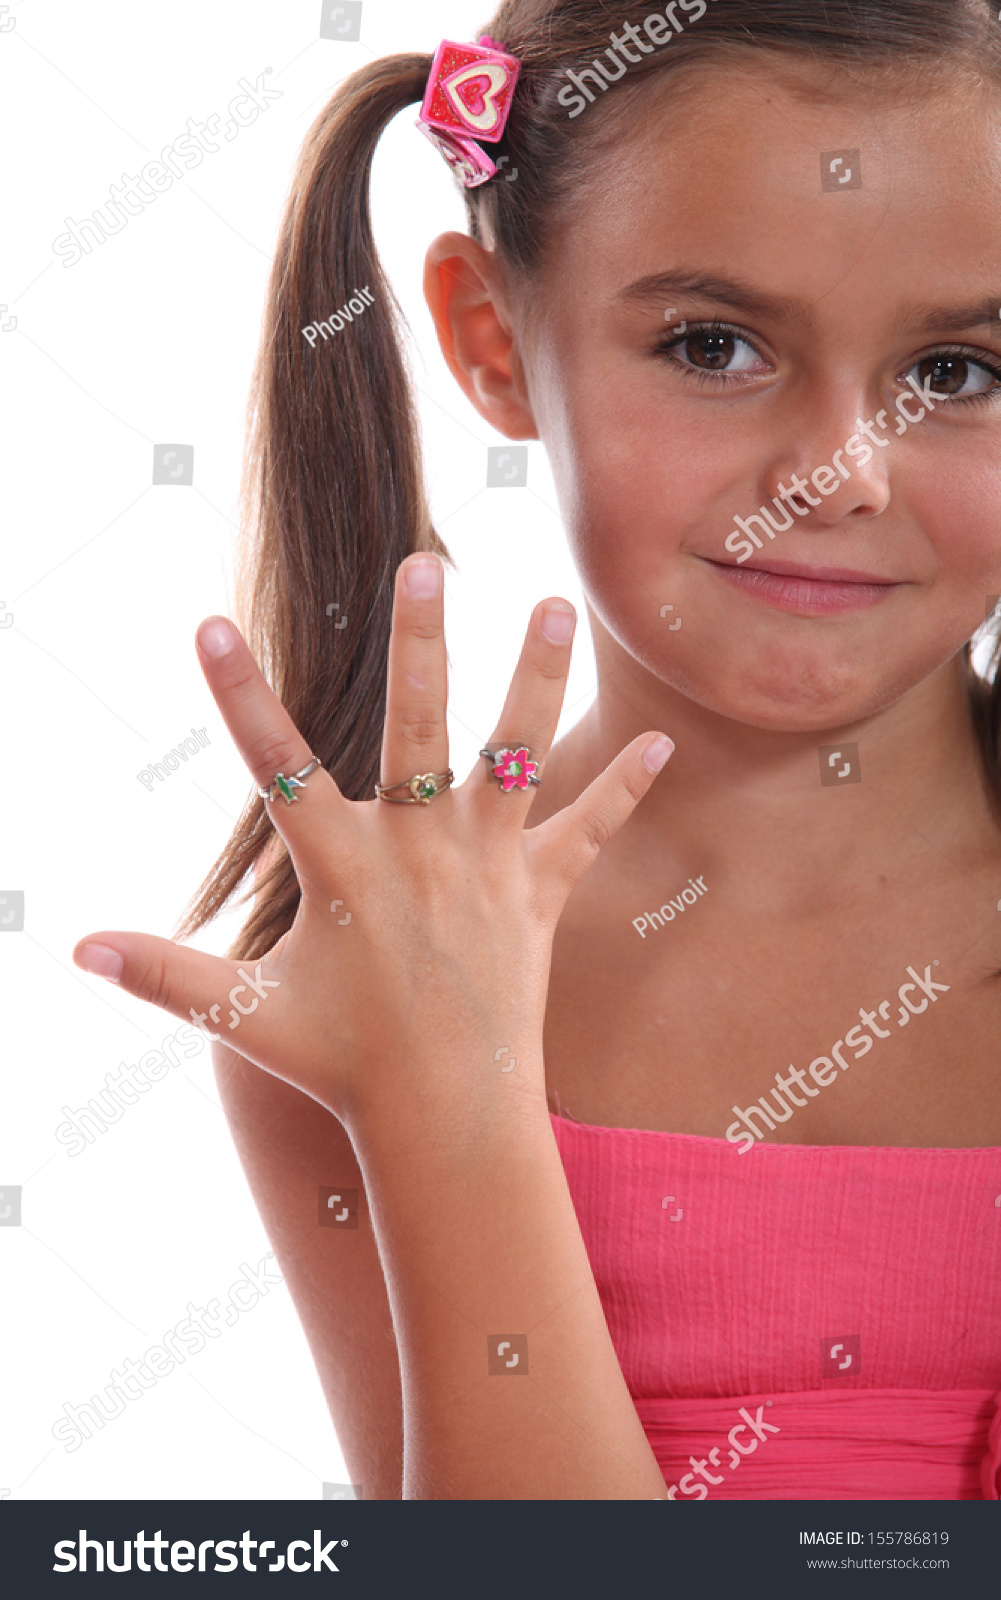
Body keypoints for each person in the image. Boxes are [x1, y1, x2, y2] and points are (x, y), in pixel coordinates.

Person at [74, 0, 1001, 1500]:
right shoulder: (357, 986)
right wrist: (450, 1097)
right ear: (492, 344)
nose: (838, 475)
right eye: (713, 346)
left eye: (956, 372)